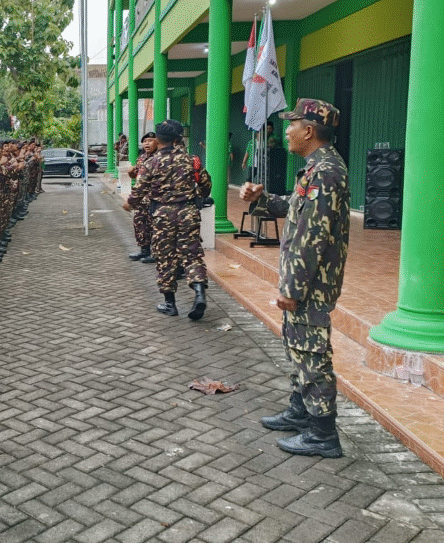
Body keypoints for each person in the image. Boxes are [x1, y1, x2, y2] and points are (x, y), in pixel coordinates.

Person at [239, 98, 349, 458]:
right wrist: (262, 198)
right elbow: (295, 208)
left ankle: (322, 434)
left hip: (310, 284)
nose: (286, 130)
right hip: (307, 282)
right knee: (298, 346)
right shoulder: (315, 169)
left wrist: (292, 288)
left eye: (292, 124)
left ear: (309, 130)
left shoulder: (325, 172)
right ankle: (301, 412)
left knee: (311, 351)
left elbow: (312, 236)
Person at [128, 120, 212, 320]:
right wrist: (197, 195)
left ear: (158, 139)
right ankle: (199, 294)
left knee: (165, 258)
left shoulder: (151, 163)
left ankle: (170, 304)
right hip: (189, 213)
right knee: (192, 255)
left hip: (163, 215)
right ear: (178, 139)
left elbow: (138, 191)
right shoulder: (192, 160)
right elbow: (206, 184)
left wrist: (129, 203)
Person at [124, 132, 157, 262]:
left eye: (150, 140)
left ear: (157, 142)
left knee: (154, 226)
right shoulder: (141, 158)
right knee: (140, 224)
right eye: (145, 141)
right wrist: (131, 172)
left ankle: (155, 253)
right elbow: (136, 176)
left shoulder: (159, 158)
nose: (147, 143)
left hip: (153, 198)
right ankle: (144, 250)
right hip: (141, 199)